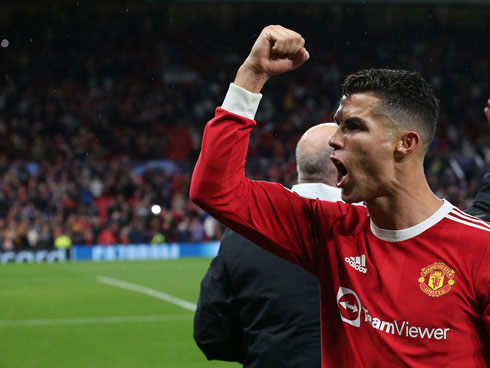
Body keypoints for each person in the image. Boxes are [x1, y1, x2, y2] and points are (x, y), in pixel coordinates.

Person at [190, 25, 490, 366]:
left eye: (353, 126)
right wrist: (252, 75)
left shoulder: (481, 250)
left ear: (405, 143)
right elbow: (215, 190)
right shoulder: (330, 231)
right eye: (338, 125)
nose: (334, 139)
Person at [194, 123, 343, 367]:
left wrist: (265, 349)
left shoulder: (242, 235)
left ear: (299, 167)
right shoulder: (374, 229)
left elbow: (211, 332)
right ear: (344, 167)